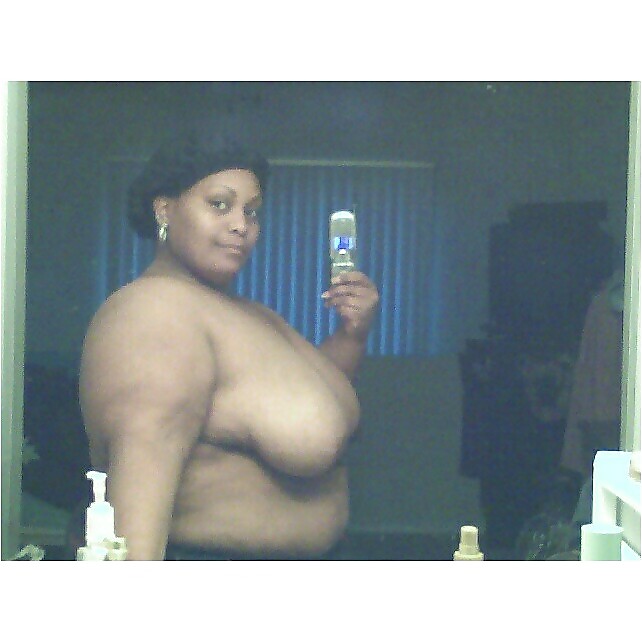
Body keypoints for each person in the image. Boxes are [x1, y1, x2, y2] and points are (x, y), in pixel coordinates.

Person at [78, 136, 379, 560]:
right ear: (164, 210)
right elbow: (136, 509)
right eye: (220, 204)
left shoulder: (245, 314)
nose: (241, 224)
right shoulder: (154, 314)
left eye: (251, 211)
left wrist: (352, 334)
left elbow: (299, 407)